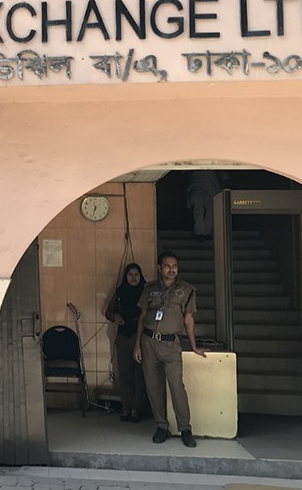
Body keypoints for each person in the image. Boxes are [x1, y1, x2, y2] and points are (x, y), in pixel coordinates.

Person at [133, 251, 206, 448]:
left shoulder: (187, 290)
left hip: (171, 345)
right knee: (153, 386)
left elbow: (189, 320)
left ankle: (185, 428)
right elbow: (142, 318)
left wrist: (193, 346)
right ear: (159, 268)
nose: (171, 269)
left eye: (174, 266)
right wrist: (137, 344)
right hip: (149, 342)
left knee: (176, 386)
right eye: (167, 265)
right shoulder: (149, 289)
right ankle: (161, 426)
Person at [105, 263, 147, 423]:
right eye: (130, 275)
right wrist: (116, 317)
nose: (134, 278)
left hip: (141, 337)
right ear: (126, 276)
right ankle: (126, 408)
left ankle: (136, 409)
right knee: (124, 374)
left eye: (137, 274)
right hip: (123, 337)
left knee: (139, 374)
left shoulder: (146, 292)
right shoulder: (120, 293)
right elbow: (108, 312)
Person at [186, 170, 223, 238]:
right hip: (207, 189)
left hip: (202, 188)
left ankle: (201, 232)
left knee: (200, 210)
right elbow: (224, 176)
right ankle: (204, 231)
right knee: (207, 210)